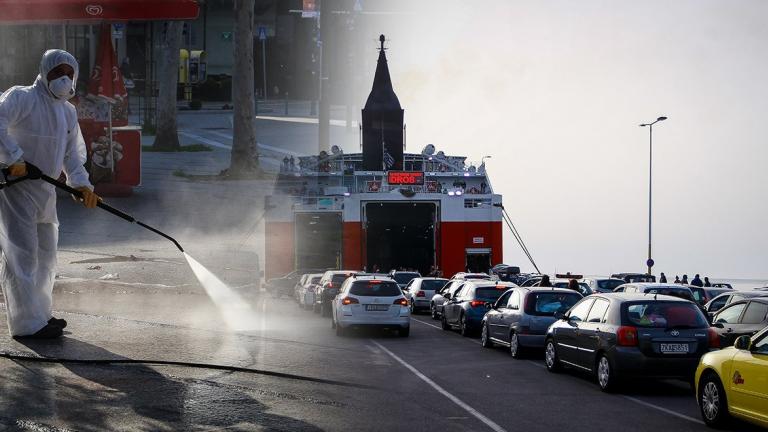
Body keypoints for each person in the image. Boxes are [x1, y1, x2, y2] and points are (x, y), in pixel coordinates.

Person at [0, 50, 100, 339]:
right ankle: (25, 325)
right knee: (22, 254)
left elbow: (72, 155)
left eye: (69, 74)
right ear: (45, 73)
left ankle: (40, 316)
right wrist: (14, 158)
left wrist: (82, 185)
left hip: (45, 190)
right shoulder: (22, 98)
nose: (63, 79)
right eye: (57, 73)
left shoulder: (67, 112)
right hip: (17, 188)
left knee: (46, 255)